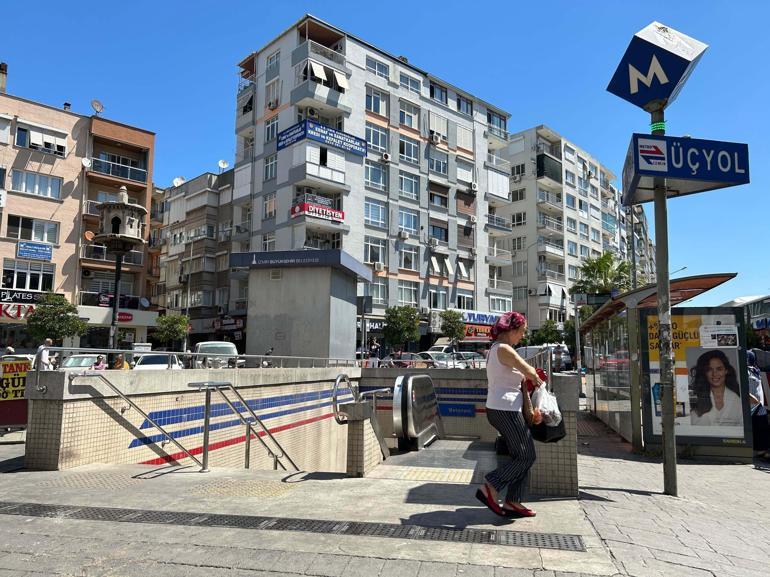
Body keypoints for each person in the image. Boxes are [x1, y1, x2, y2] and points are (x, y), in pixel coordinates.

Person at [476, 311, 543, 518]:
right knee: (526, 455)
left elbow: (520, 379)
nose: (522, 336)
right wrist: (540, 381)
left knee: (520, 455)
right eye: (521, 332)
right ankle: (491, 486)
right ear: (511, 330)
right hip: (504, 409)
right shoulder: (503, 349)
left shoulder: (499, 350)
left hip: (503, 408)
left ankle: (513, 501)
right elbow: (529, 370)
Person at [689, 350, 742, 426]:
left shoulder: (738, 399)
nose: (715, 374)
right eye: (709, 369)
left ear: (726, 370)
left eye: (719, 369)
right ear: (704, 372)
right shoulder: (694, 397)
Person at [748, 350, 770, 459]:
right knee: (753, 428)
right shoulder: (745, 371)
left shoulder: (755, 370)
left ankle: (762, 451)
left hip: (758, 405)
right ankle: (756, 451)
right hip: (750, 406)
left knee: (762, 426)